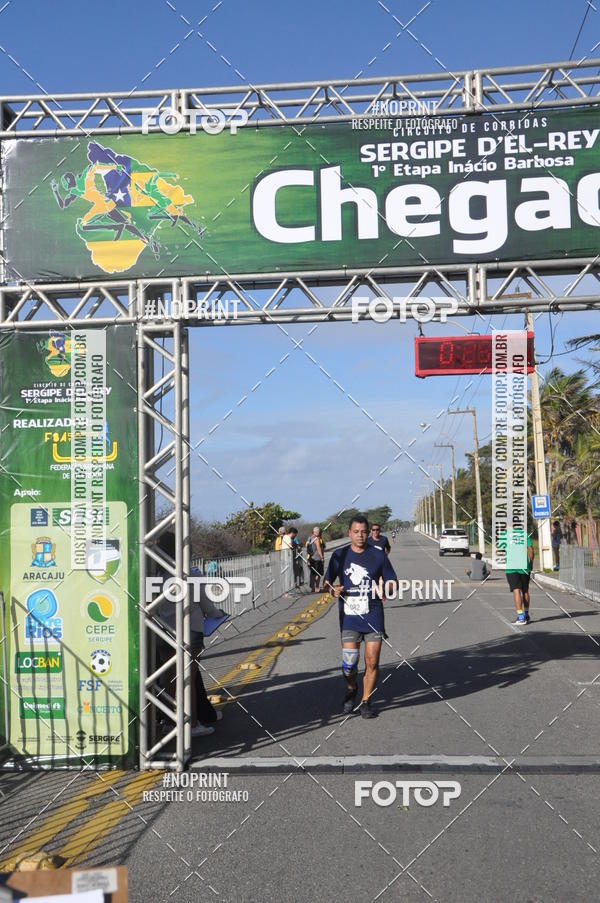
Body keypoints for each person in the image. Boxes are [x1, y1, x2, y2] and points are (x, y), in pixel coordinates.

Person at [324, 515, 397, 719]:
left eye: (364, 532)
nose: (360, 535)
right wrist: (333, 590)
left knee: (372, 662)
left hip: (373, 614)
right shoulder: (340, 555)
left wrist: (387, 588)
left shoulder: (378, 555)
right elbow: (327, 582)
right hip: (350, 616)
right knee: (349, 664)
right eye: (356, 532)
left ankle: (366, 701)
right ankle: (352, 687)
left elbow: (392, 581)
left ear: (369, 533)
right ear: (349, 533)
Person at [155, 532, 225, 736]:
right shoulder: (190, 575)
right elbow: (206, 605)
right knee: (188, 681)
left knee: (170, 680)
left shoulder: (156, 576)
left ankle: (171, 723)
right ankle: (192, 725)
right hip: (189, 632)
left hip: (164, 633)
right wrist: (218, 614)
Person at [505, 531, 535, 625]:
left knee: (516, 590)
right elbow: (531, 550)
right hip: (524, 566)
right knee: (525, 591)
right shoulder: (524, 534)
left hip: (512, 567)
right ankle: (526, 614)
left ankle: (521, 617)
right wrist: (531, 563)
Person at [306, 527, 325, 593]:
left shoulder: (309, 538)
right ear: (318, 532)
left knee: (313, 573)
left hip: (311, 558)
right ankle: (317, 587)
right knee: (318, 573)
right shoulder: (317, 539)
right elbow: (319, 548)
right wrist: (322, 557)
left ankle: (312, 587)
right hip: (317, 558)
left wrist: (307, 559)